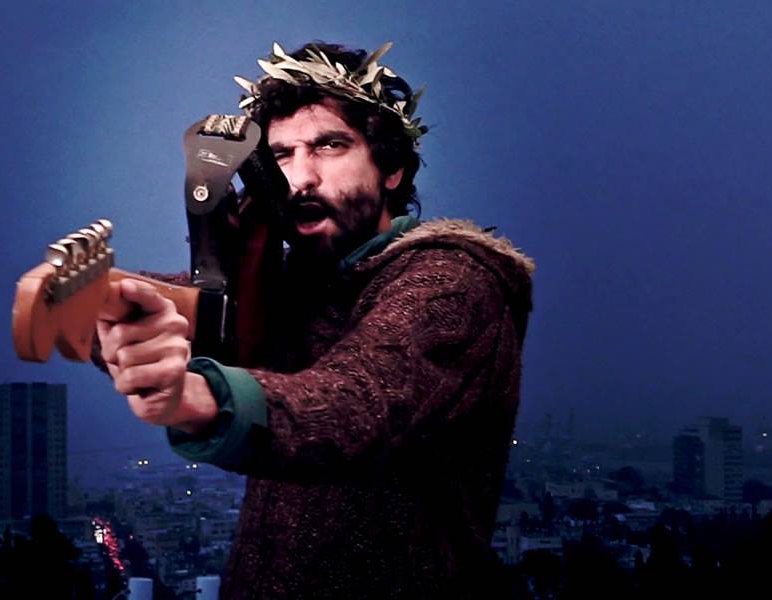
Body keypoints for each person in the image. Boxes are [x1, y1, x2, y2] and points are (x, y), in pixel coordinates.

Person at [96, 41, 534, 599]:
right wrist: (89, 294)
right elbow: (187, 304)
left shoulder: (452, 282)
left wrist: (202, 396)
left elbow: (362, 399)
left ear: (392, 169)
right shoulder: (294, 283)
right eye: (279, 155)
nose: (299, 178)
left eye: (328, 146)